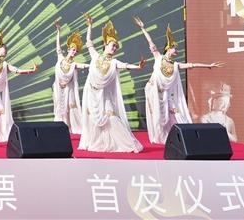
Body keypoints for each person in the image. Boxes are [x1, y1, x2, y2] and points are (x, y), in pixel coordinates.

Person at [135, 17, 224, 144]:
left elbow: (191, 65)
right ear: (168, 48)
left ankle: (180, 136)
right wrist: (143, 28)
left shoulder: (176, 65)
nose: (176, 50)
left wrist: (208, 65)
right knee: (158, 116)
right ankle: (161, 136)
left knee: (175, 112)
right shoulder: (158, 57)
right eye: (174, 48)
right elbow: (150, 42)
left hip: (166, 94)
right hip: (154, 91)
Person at [78, 15, 144, 153]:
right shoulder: (95, 56)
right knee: (92, 119)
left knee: (112, 117)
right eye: (113, 45)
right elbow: (88, 41)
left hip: (105, 96)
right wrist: (90, 25)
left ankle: (129, 144)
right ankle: (99, 143)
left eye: (116, 47)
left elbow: (126, 65)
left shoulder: (114, 62)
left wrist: (138, 67)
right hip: (92, 94)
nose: (115, 48)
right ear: (105, 44)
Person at [53, 21, 89, 134]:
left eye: (76, 51)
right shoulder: (60, 58)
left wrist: (93, 65)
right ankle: (60, 127)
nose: (74, 52)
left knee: (70, 106)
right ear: (68, 49)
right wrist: (58, 32)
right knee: (60, 107)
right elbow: (58, 47)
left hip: (69, 89)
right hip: (59, 88)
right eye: (73, 50)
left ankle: (72, 127)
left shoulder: (74, 65)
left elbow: (84, 66)